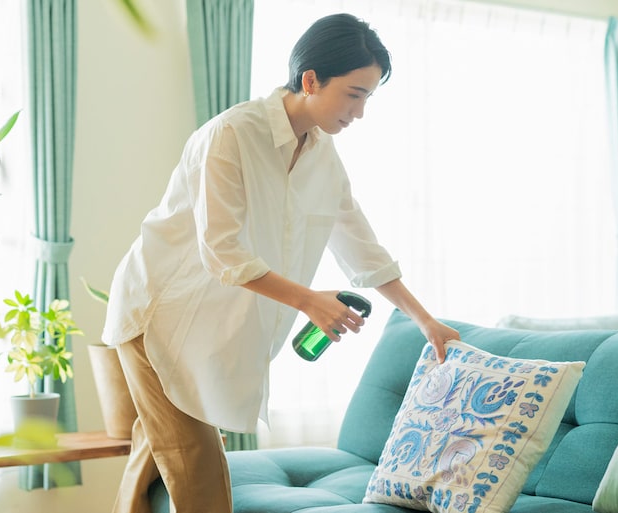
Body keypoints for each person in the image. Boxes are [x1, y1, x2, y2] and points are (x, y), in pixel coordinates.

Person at [101, 12, 460, 513]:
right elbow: (221, 251)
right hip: (157, 318)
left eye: (367, 98)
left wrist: (425, 320)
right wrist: (310, 301)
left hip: (208, 333)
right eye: (353, 94)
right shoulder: (230, 135)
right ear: (311, 80)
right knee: (196, 466)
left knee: (154, 457)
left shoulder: (323, 158)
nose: (358, 112)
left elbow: (363, 247)